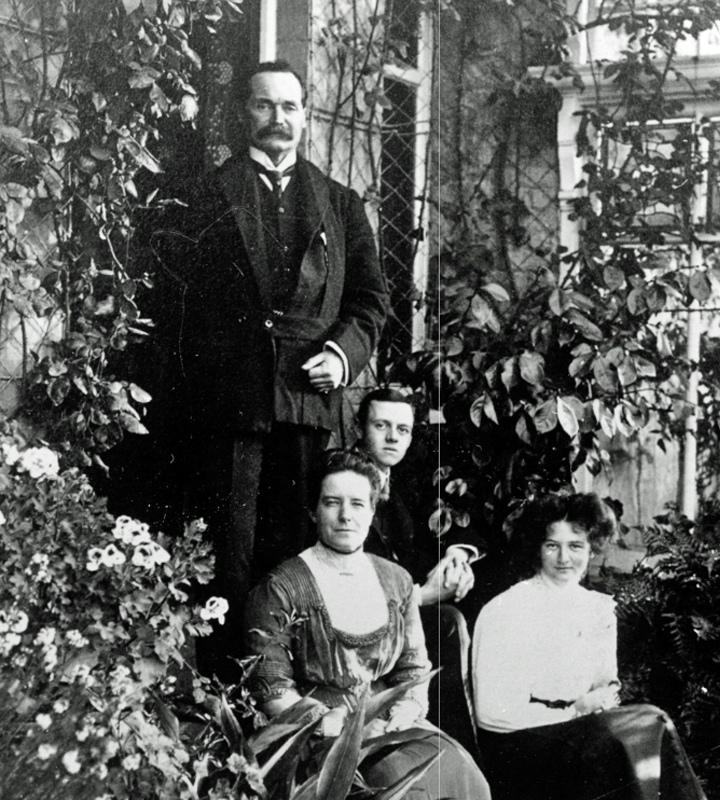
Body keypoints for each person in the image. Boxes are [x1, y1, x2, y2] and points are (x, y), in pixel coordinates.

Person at [151, 60, 388, 679]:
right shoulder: (201, 197)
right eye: (264, 105)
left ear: (304, 116)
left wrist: (342, 354)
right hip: (228, 406)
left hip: (307, 404)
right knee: (226, 558)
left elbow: (370, 301)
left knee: (296, 556)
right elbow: (172, 310)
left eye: (289, 106)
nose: (277, 118)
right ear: (243, 113)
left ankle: (291, 697)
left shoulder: (340, 203)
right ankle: (223, 698)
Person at [244, 449, 491, 799]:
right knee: (397, 782)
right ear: (313, 511)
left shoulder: (397, 580)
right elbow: (271, 686)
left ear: (373, 511)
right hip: (316, 734)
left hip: (391, 723)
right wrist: (344, 727)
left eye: (358, 504)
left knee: (462, 772)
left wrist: (406, 709)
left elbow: (413, 667)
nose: (346, 516)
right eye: (332, 503)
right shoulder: (280, 588)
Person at [472, 493, 706, 800]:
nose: (564, 558)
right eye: (552, 545)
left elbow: (605, 685)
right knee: (614, 741)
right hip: (519, 747)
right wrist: (574, 711)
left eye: (576, 546)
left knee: (650, 723)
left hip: (581, 734)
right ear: (537, 548)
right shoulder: (507, 609)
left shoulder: (596, 608)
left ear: (592, 548)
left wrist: (598, 701)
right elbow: (491, 714)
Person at [355, 388, 485, 750]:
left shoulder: (404, 476)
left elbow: (450, 522)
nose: (393, 438)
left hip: (405, 612)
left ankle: (470, 750)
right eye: (381, 425)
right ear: (359, 428)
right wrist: (421, 596)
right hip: (364, 620)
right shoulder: (344, 478)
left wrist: (456, 557)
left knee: (476, 599)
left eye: (403, 430)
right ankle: (458, 752)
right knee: (448, 623)